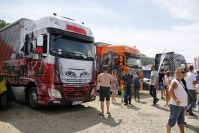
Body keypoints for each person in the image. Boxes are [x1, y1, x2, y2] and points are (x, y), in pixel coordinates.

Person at [166, 67, 188, 133]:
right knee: (172, 121)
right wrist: (176, 99)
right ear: (177, 73)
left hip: (180, 105)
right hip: (176, 105)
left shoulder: (180, 81)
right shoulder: (174, 82)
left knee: (181, 121)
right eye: (183, 72)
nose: (184, 74)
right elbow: (170, 91)